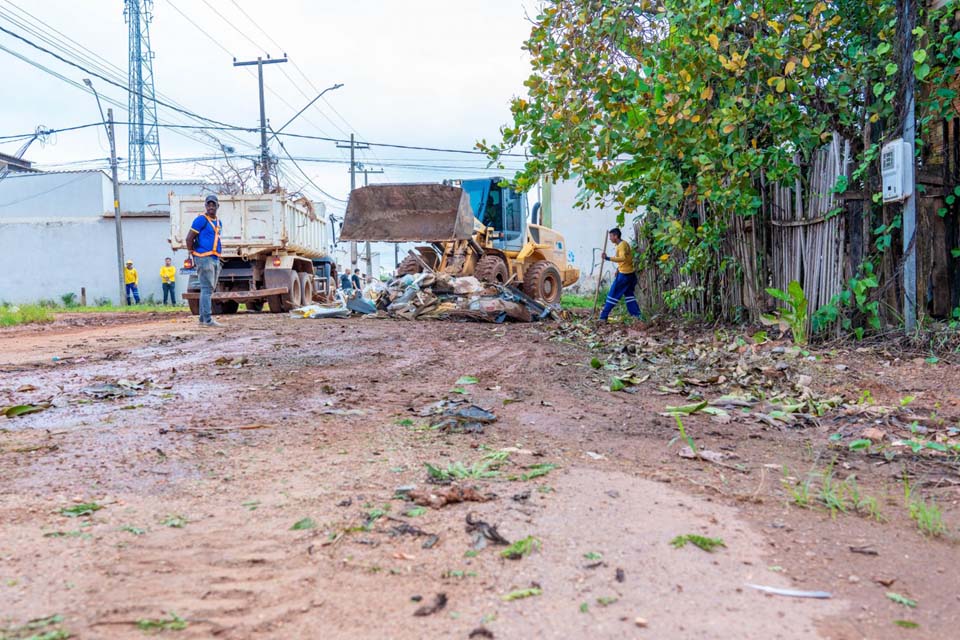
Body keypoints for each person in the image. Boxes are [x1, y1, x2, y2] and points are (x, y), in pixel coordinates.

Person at [185, 194, 224, 327]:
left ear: (218, 206)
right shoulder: (201, 220)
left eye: (213, 204)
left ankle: (203, 319)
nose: (211, 207)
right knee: (207, 289)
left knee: (208, 289)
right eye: (209, 204)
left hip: (214, 257)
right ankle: (207, 319)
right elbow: (189, 238)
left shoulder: (218, 222)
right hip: (204, 258)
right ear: (205, 206)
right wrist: (192, 253)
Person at [599, 227, 642, 321]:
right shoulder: (624, 244)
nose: (610, 238)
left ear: (616, 236)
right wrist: (618, 269)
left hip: (625, 276)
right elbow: (626, 260)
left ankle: (603, 317)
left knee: (612, 294)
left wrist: (608, 258)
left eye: (611, 236)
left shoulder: (621, 245)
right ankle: (637, 316)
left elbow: (622, 258)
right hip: (630, 274)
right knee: (629, 296)